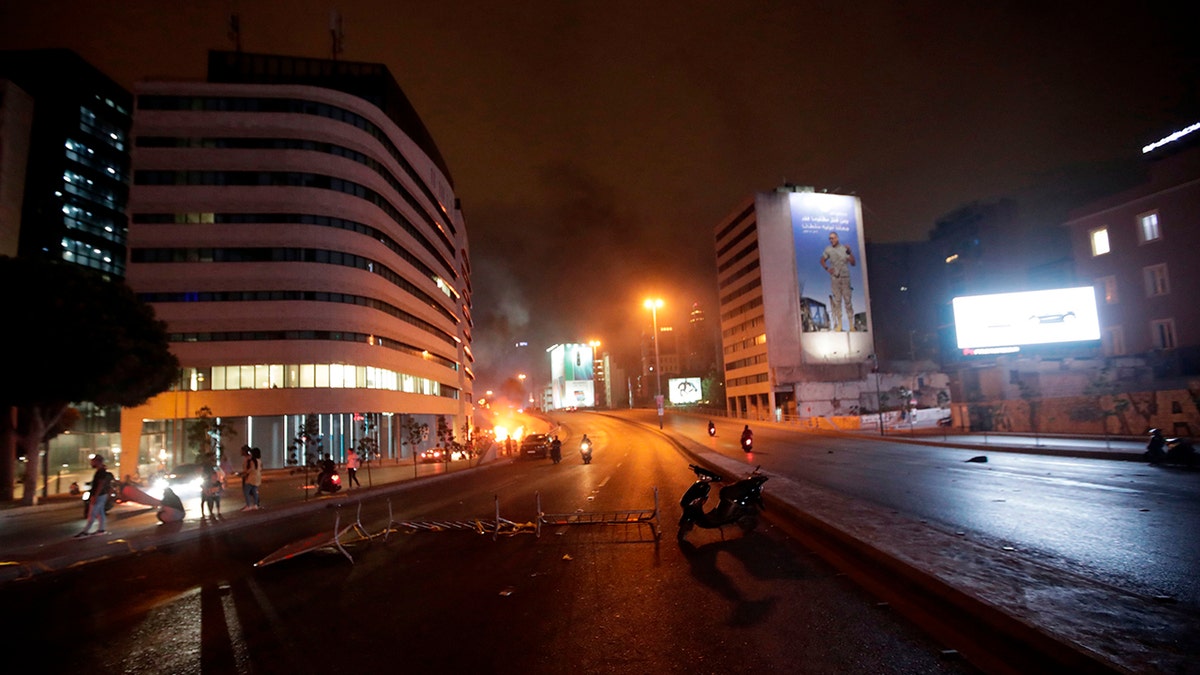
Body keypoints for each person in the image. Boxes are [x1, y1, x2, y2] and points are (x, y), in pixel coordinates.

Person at [820, 231, 857, 331]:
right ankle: (839, 325)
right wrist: (827, 269)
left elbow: (853, 263)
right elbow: (822, 260)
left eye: (833, 238)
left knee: (848, 300)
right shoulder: (828, 249)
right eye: (830, 238)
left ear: (837, 238)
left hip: (845, 277)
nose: (831, 240)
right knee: (837, 301)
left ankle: (851, 325)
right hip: (835, 277)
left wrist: (849, 252)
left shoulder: (844, 249)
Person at [76, 454, 114, 537]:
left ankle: (85, 531)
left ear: (97, 461)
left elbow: (100, 484)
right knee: (100, 513)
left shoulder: (101, 472)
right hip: (101, 495)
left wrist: (95, 496)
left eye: (92, 461)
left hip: (99, 495)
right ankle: (101, 529)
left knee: (92, 514)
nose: (91, 463)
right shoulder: (101, 471)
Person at [241, 445, 262, 511]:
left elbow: (251, 469)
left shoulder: (252, 460)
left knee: (246, 492)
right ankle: (255, 504)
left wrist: (245, 473)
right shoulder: (259, 461)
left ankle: (248, 505)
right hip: (257, 478)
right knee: (254, 491)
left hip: (251, 478)